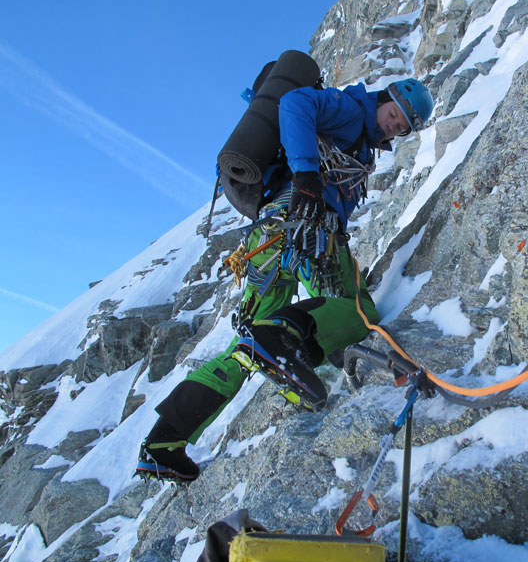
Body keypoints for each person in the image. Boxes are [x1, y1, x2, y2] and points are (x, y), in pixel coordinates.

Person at [136, 77, 434, 481]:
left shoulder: (359, 137)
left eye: (402, 128)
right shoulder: (349, 111)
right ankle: (284, 339)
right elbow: (294, 102)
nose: (393, 127)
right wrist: (308, 175)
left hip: (269, 237)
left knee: (247, 344)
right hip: (311, 229)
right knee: (358, 310)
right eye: (394, 115)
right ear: (385, 98)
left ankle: (164, 441)